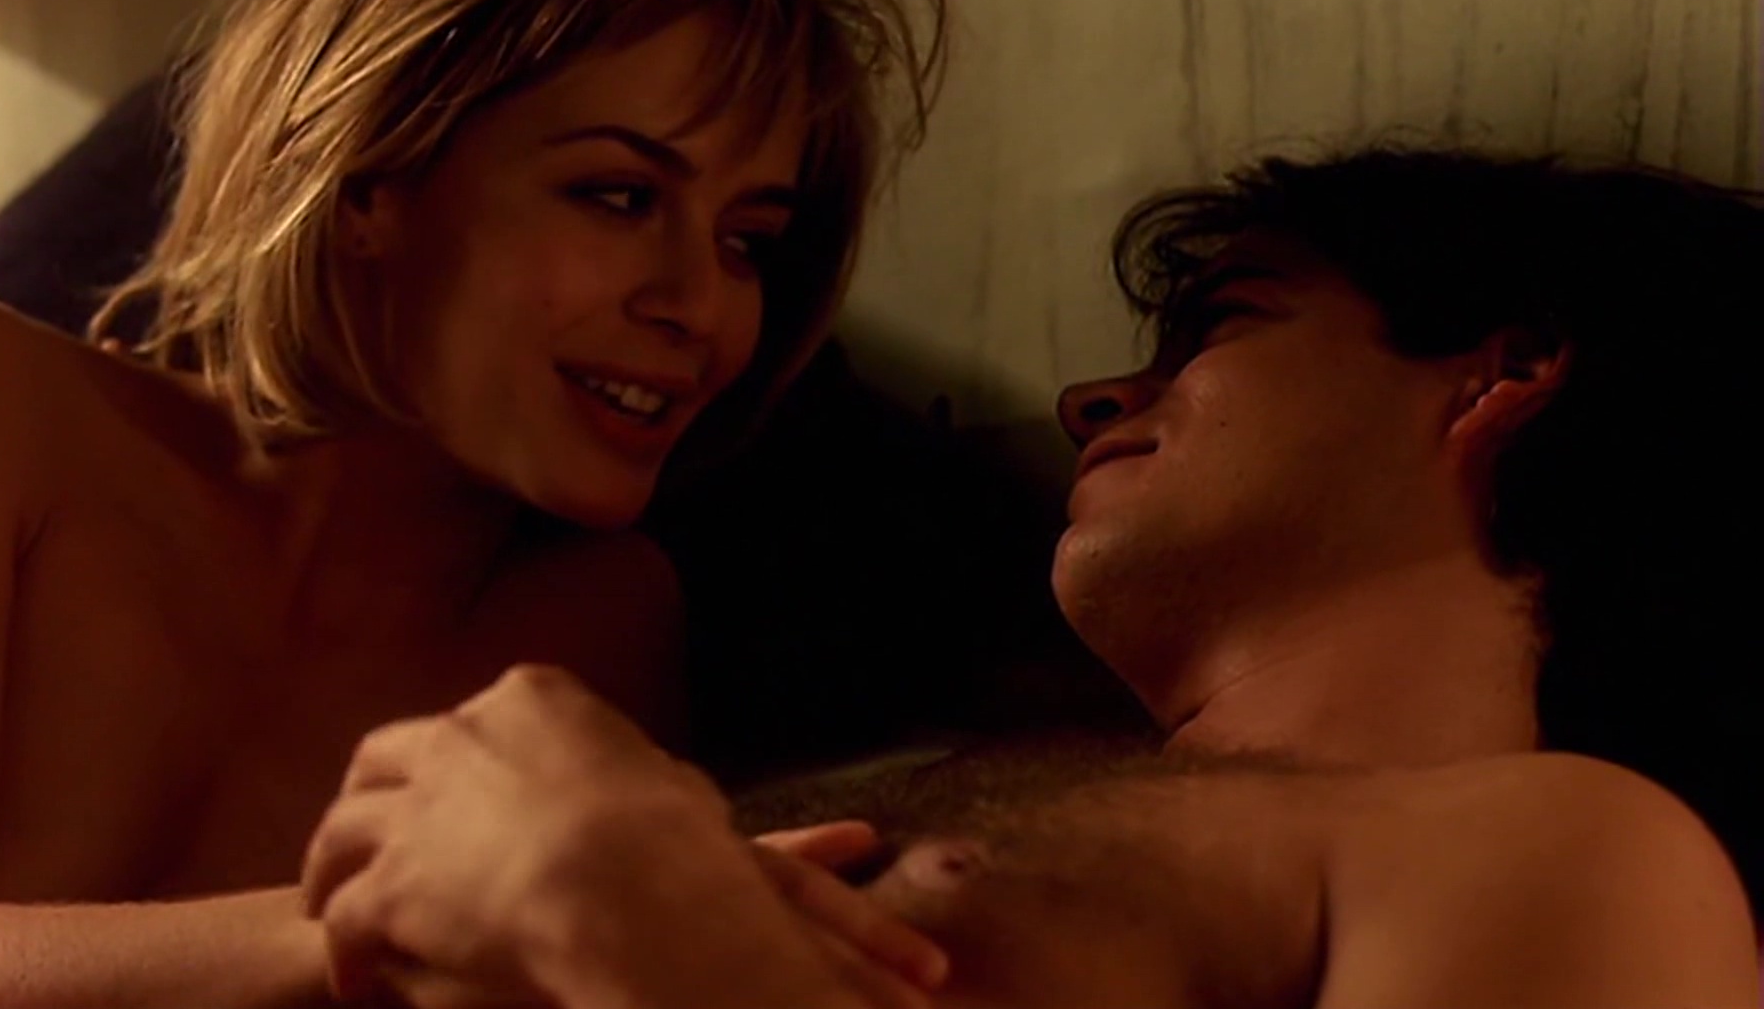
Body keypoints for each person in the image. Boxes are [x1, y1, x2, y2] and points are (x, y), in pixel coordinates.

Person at [300, 148, 1763, 1008]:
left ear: (1503, 374)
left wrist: (651, 939)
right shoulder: (955, 758)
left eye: (1222, 324)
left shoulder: (1584, 850)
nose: (1088, 400)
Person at [0, 0, 942, 1004]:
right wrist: (385, 921)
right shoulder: (5, 408)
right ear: (367, 183)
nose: (701, 306)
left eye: (745, 240)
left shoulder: (596, 628)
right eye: (619, 196)